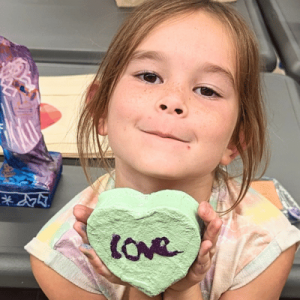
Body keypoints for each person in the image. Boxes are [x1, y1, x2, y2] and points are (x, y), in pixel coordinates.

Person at [25, 0, 300, 299]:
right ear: (101, 109)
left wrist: (182, 288)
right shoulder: (64, 257)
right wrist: (143, 280)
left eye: (207, 90)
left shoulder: (264, 244)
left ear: (235, 140)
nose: (173, 100)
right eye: (149, 76)